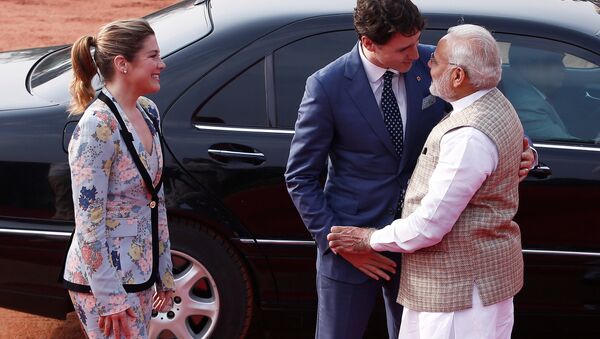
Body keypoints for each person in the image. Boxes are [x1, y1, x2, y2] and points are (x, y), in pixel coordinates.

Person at [285, 1, 534, 338]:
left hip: (420, 247)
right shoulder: (326, 86)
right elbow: (300, 177)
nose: (417, 55)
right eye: (404, 47)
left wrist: (524, 150)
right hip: (351, 249)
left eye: (418, 41)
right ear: (369, 43)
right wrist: (342, 246)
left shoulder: (440, 65)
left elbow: (483, 106)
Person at [61, 19, 174, 338]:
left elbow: (155, 200)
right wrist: (110, 299)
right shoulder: (96, 128)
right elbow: (88, 224)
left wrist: (164, 272)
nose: (161, 64)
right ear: (122, 64)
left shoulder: (149, 111)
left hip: (140, 271)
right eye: (152, 57)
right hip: (105, 284)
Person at [502, 45, 575, 140]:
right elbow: (567, 147)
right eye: (552, 62)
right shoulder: (527, 106)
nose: (562, 68)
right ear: (525, 66)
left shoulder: (525, 92)